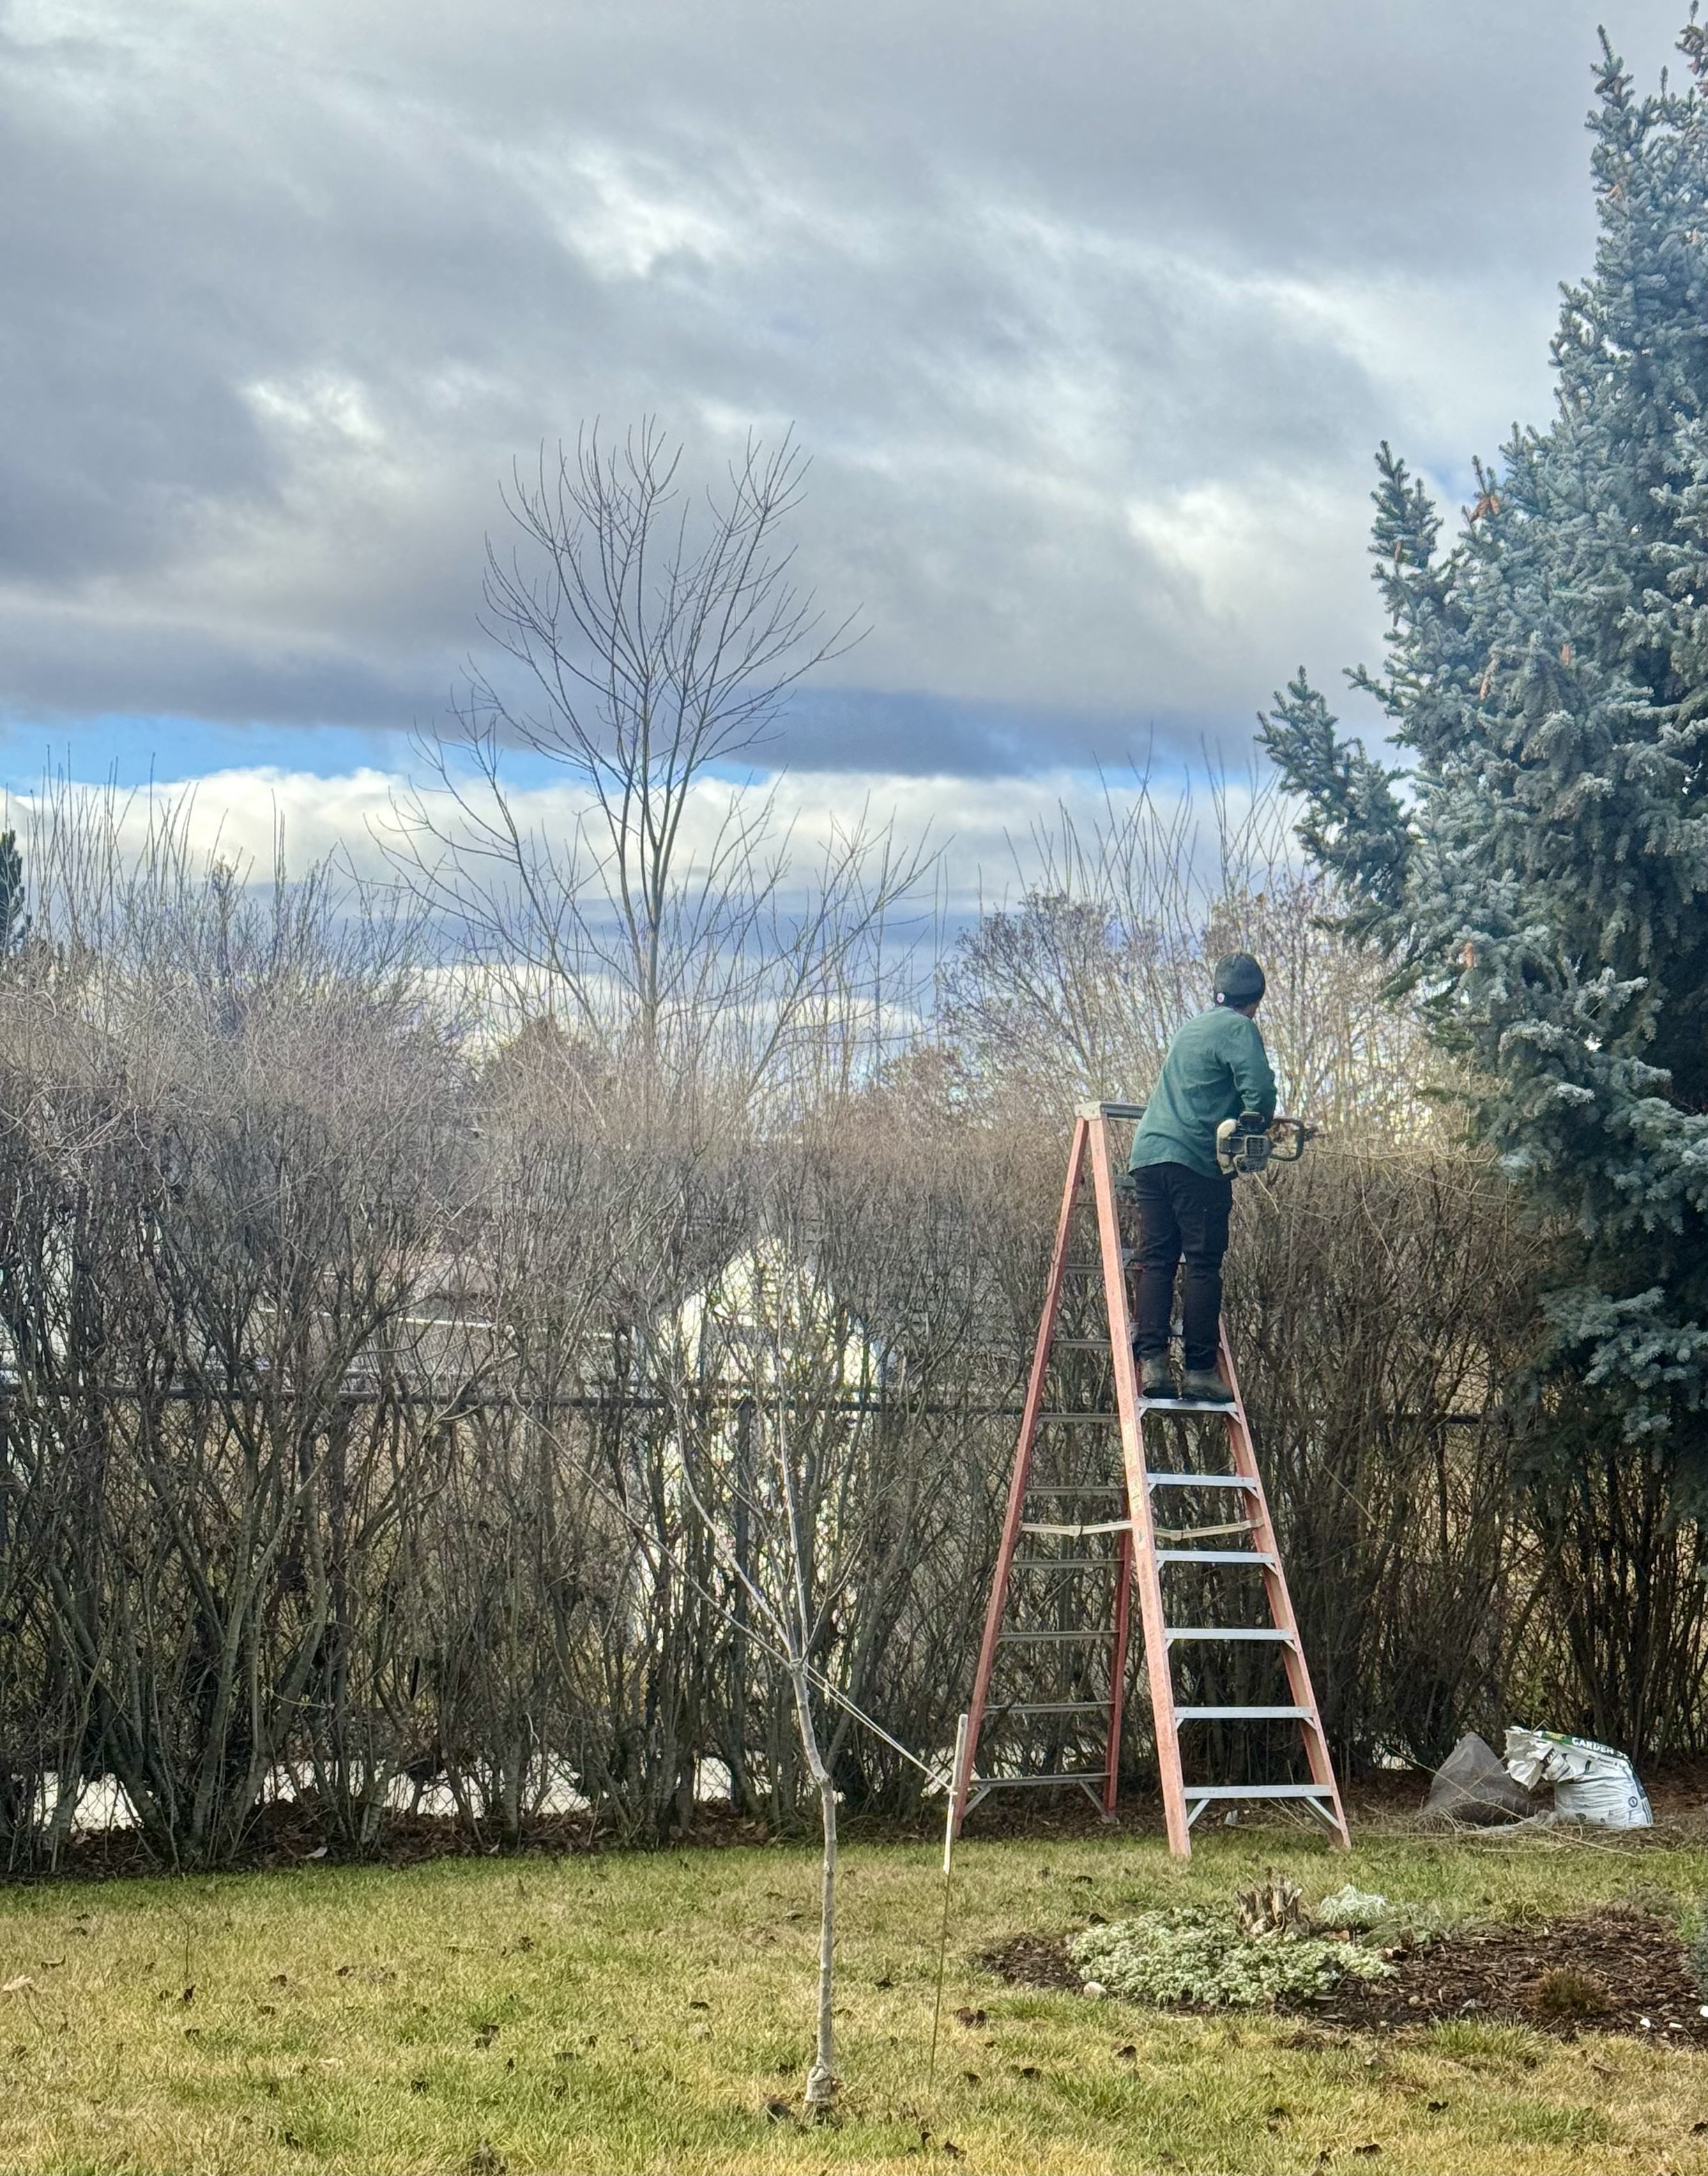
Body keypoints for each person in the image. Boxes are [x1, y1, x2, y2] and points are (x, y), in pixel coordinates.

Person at [1127, 952, 1275, 1404]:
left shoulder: (1191, 1027)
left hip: (1149, 1155)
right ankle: (1198, 1370)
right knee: (1203, 1263)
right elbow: (1260, 1092)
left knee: (1157, 1259)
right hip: (1194, 1158)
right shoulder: (1239, 1027)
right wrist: (1259, 1121)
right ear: (1254, 1000)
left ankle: (1152, 1362)